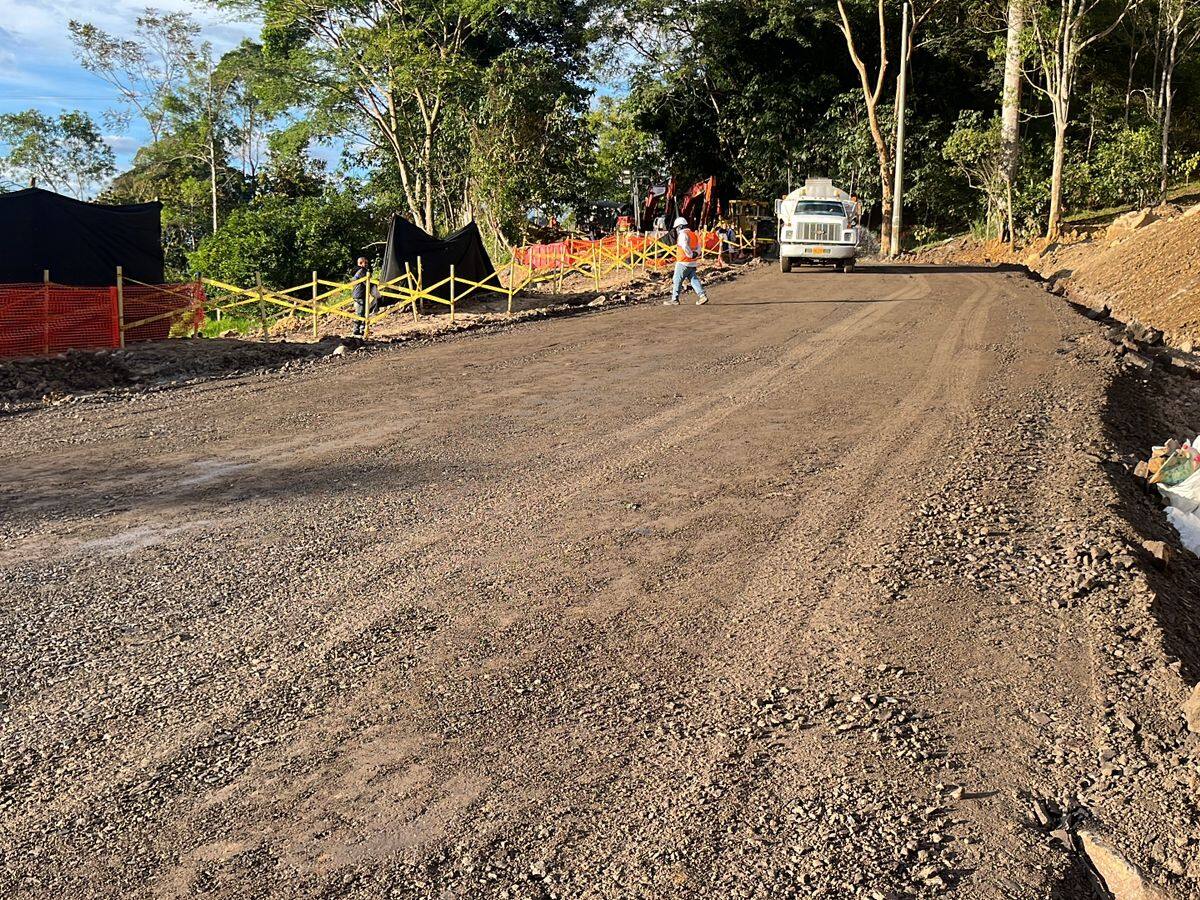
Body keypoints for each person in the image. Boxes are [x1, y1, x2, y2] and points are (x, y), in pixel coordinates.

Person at [665, 216, 708, 306]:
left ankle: (674, 299)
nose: (676, 230)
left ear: (680, 226)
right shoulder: (692, 234)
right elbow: (699, 247)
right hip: (692, 262)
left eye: (677, 228)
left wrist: (690, 254)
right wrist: (696, 254)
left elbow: (684, 246)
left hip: (683, 262)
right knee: (693, 279)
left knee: (677, 280)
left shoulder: (682, 235)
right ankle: (702, 296)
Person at [351, 256, 379, 337]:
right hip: (360, 294)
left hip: (360, 294)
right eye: (365, 263)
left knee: (363, 312)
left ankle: (362, 330)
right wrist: (374, 284)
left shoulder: (358, 271)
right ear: (360, 263)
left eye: (367, 263)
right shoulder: (362, 271)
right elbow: (367, 283)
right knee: (360, 313)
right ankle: (356, 331)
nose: (367, 264)